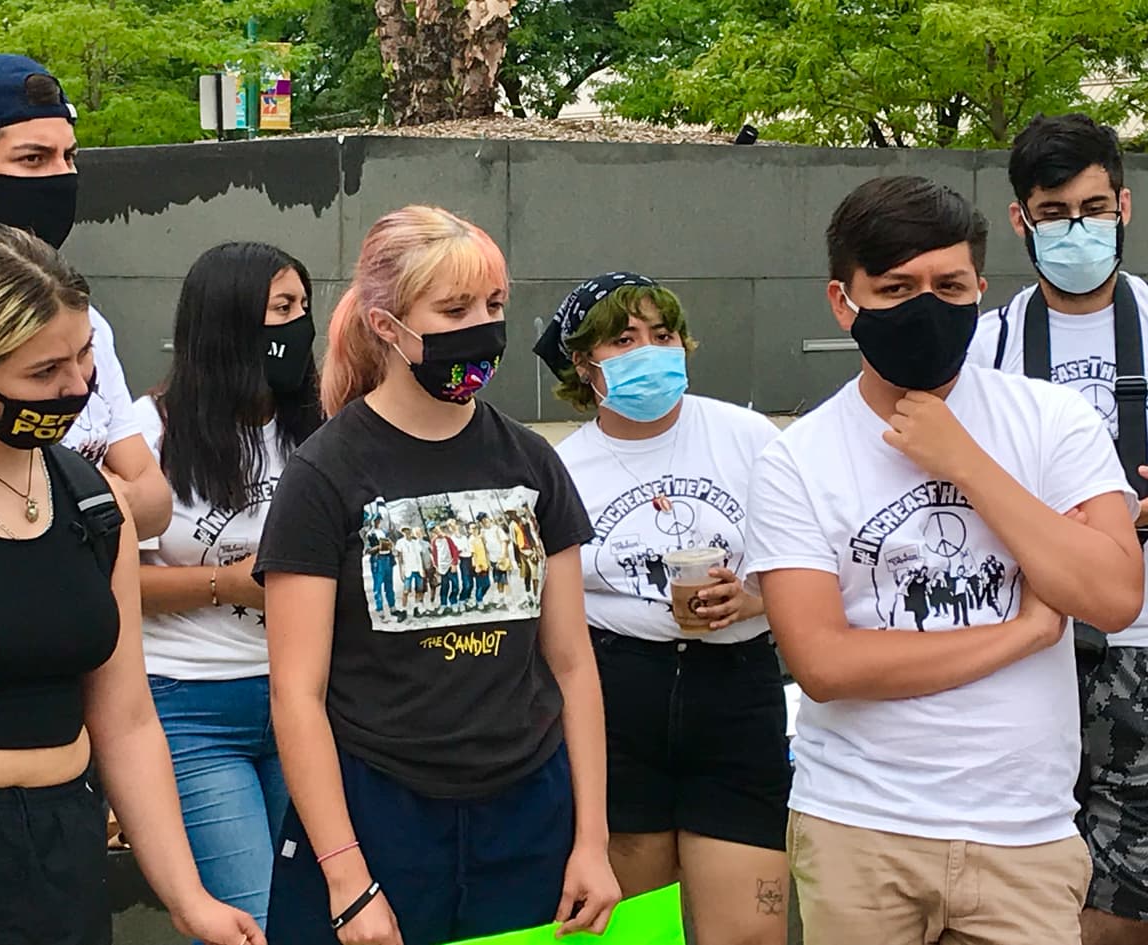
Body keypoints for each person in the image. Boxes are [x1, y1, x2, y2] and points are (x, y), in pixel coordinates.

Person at [743, 176, 1143, 945]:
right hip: (860, 827)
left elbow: (1112, 592)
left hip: (1022, 831)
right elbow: (824, 661)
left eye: (949, 285)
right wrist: (1023, 633)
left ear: (980, 290)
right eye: (895, 288)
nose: (926, 306)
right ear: (842, 300)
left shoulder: (1051, 422)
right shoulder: (795, 458)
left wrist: (968, 464)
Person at [0, 224, 263, 945]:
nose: (77, 388)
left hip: (60, 857)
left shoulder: (90, 501)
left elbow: (127, 717)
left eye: (84, 357)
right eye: (45, 371)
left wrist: (187, 894)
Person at [253, 205, 620, 945]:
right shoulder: (325, 472)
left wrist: (593, 840)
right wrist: (348, 877)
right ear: (387, 326)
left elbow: (574, 664)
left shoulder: (531, 461)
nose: (483, 327)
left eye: (493, 306)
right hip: (378, 807)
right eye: (453, 309)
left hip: (527, 809)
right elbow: (297, 693)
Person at [534, 273, 791, 945]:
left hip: (737, 693)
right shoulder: (565, 468)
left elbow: (807, 568)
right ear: (585, 362)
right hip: (620, 700)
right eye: (624, 339)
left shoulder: (748, 436)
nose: (650, 349)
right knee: (634, 932)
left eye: (663, 334)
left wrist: (753, 598)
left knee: (747, 932)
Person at [965, 113, 1148, 945]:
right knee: (1025, 859)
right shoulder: (984, 343)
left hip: (1139, 641)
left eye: (1095, 207)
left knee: (1127, 882)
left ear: (1126, 206)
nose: (1079, 228)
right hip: (1027, 640)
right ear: (1020, 220)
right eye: (1055, 212)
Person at [0, 52, 171, 541]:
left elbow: (155, 502)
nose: (61, 177)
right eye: (33, 159)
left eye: (69, 157)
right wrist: (101, 496)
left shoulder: (86, 322)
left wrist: (75, 501)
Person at [133, 242, 322, 934]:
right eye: (281, 309)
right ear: (230, 321)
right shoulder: (149, 429)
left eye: (303, 307)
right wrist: (226, 583)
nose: (300, 324)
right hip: (193, 706)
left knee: (309, 911)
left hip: (304, 702)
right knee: (254, 918)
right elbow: (111, 576)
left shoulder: (318, 424)